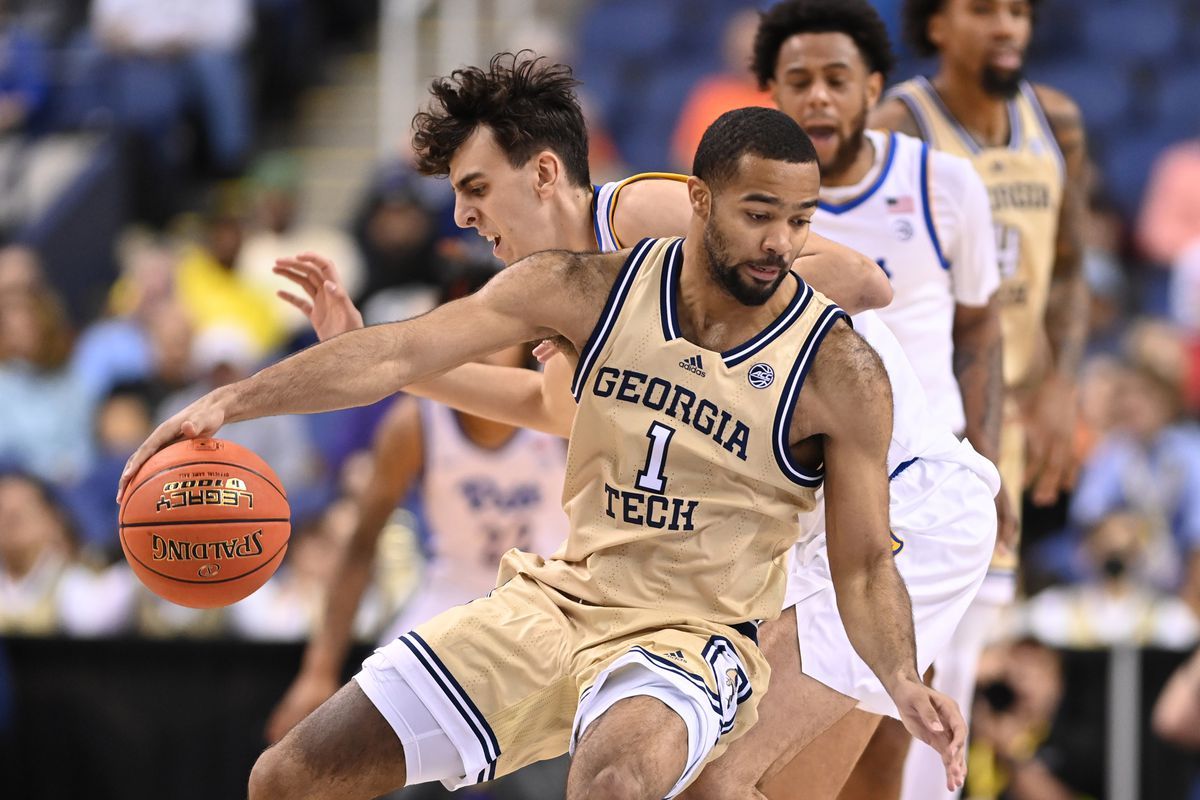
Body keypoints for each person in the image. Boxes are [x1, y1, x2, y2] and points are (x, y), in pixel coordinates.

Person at [120, 106, 967, 800]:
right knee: (286, 778)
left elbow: (863, 560)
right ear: (703, 205)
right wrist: (231, 399)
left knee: (637, 783)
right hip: (562, 599)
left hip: (708, 619)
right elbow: (408, 360)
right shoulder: (578, 293)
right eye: (759, 216)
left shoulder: (820, 355)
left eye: (798, 223)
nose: (780, 242)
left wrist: (902, 676)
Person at [868, 1, 1089, 796]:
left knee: (972, 646)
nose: (1009, 28)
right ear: (937, 24)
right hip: (932, 424)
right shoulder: (904, 123)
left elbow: (1068, 267)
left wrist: (1063, 380)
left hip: (1017, 413)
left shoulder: (1055, 120)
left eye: (1020, 11)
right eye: (985, 10)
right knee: (919, 658)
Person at [266, 267, 573, 800]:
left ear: (523, 342)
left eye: (490, 336)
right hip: (447, 606)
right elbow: (361, 546)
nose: (476, 350)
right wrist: (318, 670)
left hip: (547, 614)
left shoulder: (562, 411)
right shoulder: (414, 426)